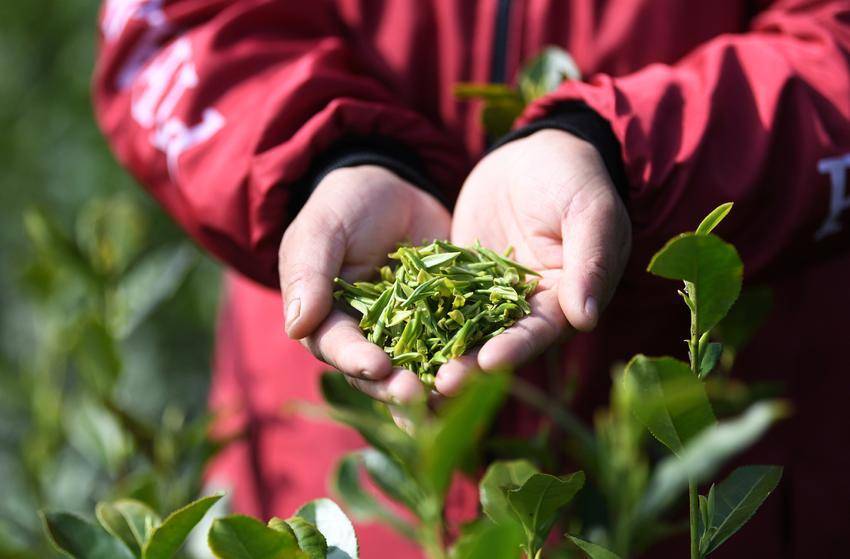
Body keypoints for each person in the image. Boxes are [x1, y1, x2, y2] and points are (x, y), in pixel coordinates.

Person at [94, 0, 850, 556]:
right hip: (331, 485)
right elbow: (176, 24)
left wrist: (617, 150)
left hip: (706, 498)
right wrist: (325, 158)